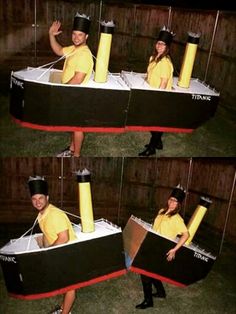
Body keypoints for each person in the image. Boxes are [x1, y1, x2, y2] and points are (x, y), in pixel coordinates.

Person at [135, 184, 190, 309]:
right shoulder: (161, 211)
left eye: (175, 201)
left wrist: (174, 250)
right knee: (152, 272)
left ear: (178, 204)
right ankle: (161, 292)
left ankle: (148, 301)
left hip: (162, 249)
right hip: (152, 245)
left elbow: (186, 235)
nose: (172, 203)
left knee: (145, 272)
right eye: (171, 199)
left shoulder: (177, 219)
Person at [28, 176, 77, 314]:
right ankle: (63, 308)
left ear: (47, 198)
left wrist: (47, 252)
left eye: (41, 198)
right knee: (65, 285)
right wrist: (43, 244)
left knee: (70, 288)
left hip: (69, 253)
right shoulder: (41, 214)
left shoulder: (55, 214)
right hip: (60, 253)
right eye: (34, 199)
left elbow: (64, 237)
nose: (37, 202)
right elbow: (48, 233)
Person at [49, 13, 94, 157]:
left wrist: (61, 92)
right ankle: (72, 149)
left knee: (77, 128)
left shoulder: (85, 54)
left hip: (77, 94)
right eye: (74, 34)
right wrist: (51, 35)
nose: (76, 37)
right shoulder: (74, 49)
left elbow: (78, 79)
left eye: (80, 35)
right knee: (72, 125)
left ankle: (76, 155)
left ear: (86, 37)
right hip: (70, 92)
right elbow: (58, 50)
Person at [139, 27, 174, 157]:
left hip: (159, 96)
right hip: (150, 92)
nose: (160, 46)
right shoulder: (153, 57)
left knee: (155, 122)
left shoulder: (165, 62)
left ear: (167, 47)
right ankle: (158, 142)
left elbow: (163, 83)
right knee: (151, 122)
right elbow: (150, 74)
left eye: (163, 44)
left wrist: (157, 100)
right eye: (158, 43)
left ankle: (152, 148)